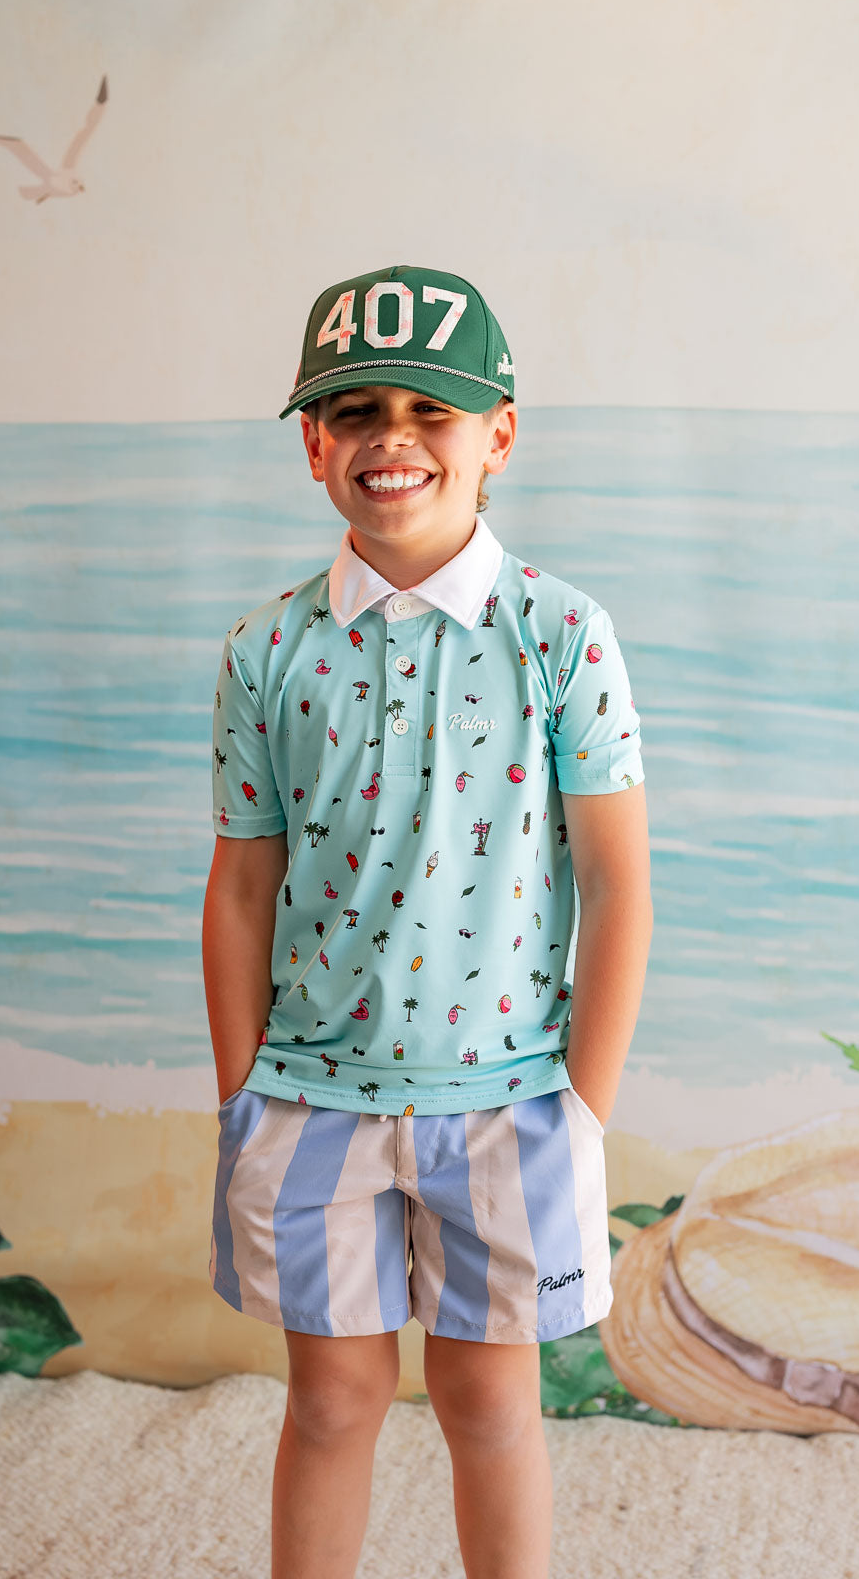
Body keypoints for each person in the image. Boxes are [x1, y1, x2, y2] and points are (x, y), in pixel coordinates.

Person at [203, 264, 653, 1579]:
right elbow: (240, 887)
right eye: (354, 412)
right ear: (313, 446)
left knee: (491, 1405)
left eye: (429, 410)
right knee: (332, 1402)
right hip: (309, 1104)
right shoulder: (264, 652)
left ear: (497, 434)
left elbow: (619, 882)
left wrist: (584, 1106)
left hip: (510, 1099)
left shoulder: (562, 636)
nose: (389, 438)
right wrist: (243, 1095)